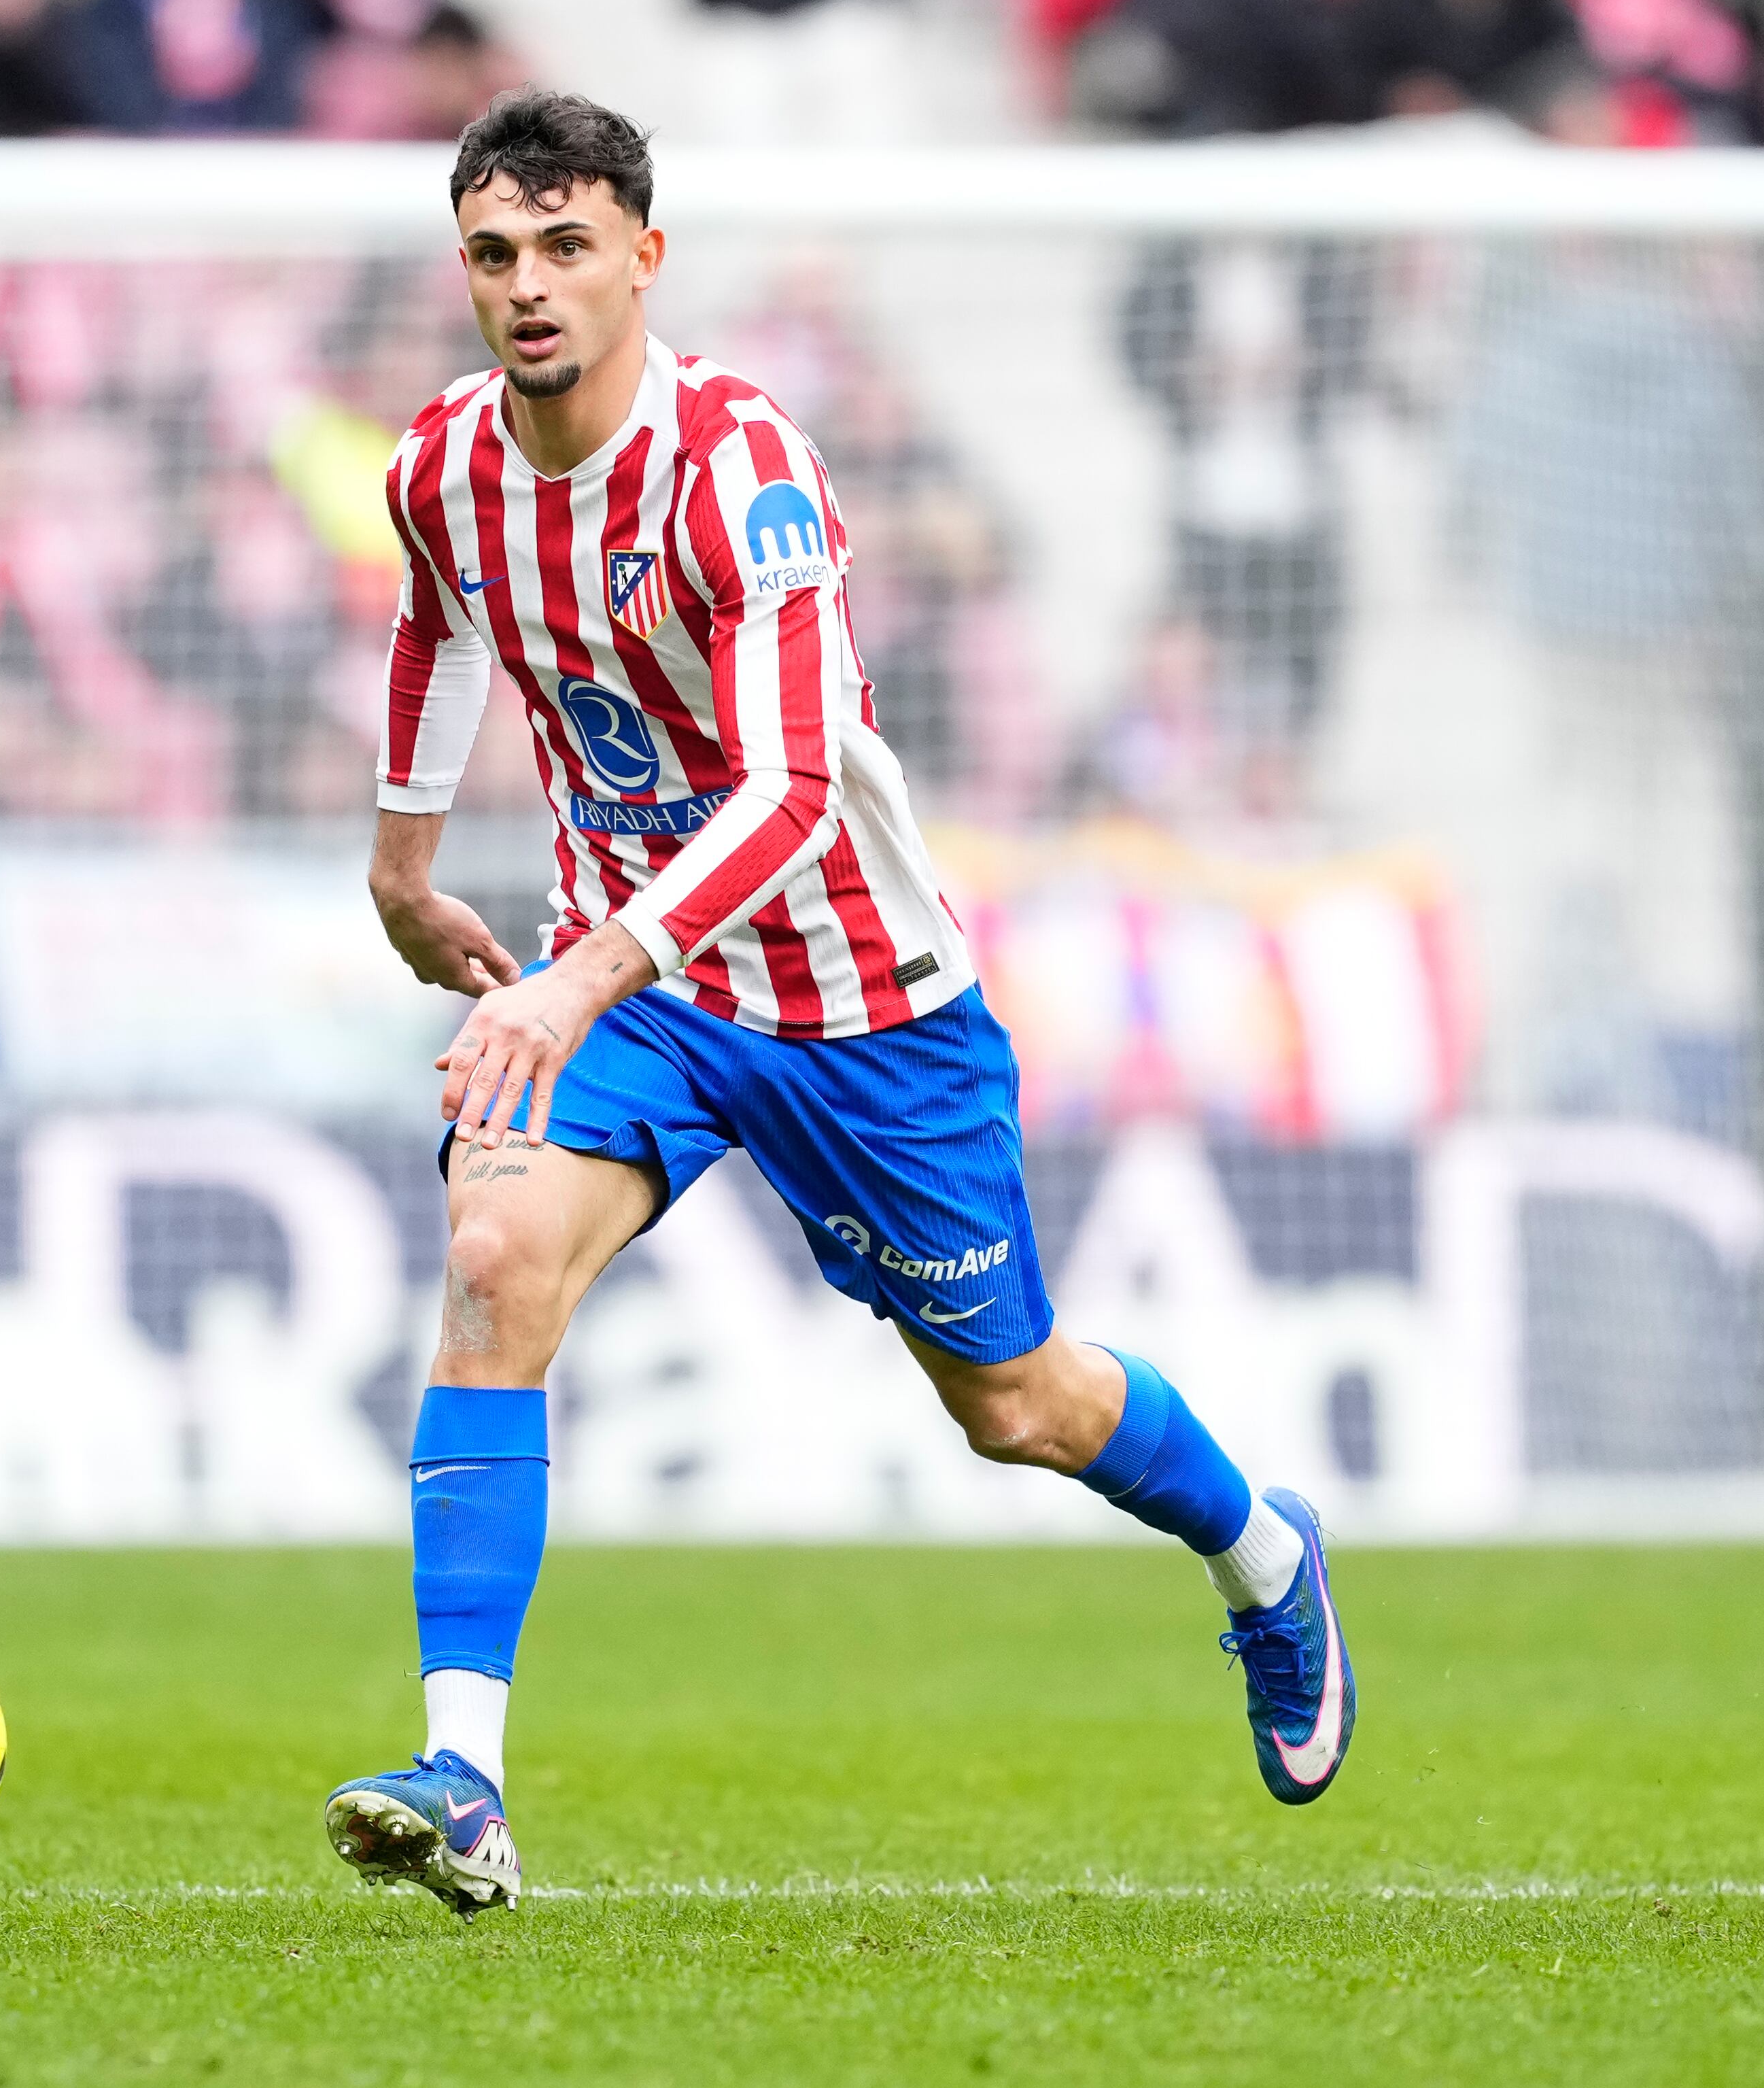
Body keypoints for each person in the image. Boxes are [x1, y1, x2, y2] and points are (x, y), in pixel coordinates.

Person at [324, 92, 1357, 1919]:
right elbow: (438, 617)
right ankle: (464, 1774)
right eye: (495, 253)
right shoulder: (444, 468)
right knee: (492, 1256)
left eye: (567, 247)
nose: (529, 288)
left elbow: (797, 788)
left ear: (646, 255)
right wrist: (406, 864)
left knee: (1019, 1401)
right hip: (641, 995)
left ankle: (1268, 1557)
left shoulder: (742, 470)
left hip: (863, 1003)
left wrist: (577, 971)